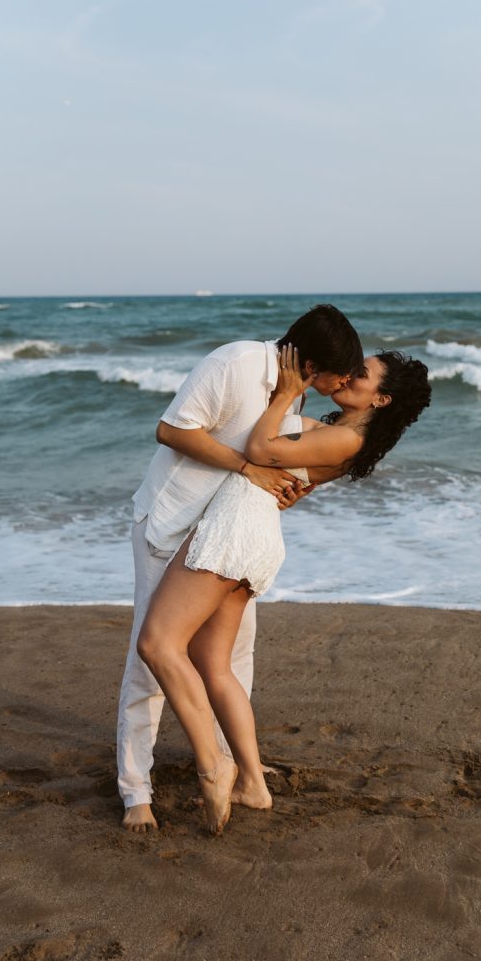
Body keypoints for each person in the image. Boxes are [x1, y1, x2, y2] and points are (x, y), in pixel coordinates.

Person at [137, 346, 431, 834]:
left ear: (381, 399)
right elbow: (289, 468)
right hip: (254, 533)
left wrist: (287, 392)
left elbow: (259, 449)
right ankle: (253, 782)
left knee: (157, 643)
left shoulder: (344, 441)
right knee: (213, 664)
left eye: (364, 374)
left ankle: (214, 768)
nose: (352, 376)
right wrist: (292, 404)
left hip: (236, 527)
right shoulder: (340, 434)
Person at [117, 304, 365, 831]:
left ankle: (238, 764)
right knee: (150, 659)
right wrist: (248, 468)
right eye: (342, 372)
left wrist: (291, 487)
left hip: (224, 538)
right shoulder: (236, 362)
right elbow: (170, 431)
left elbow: (283, 454)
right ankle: (136, 790)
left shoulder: (291, 389)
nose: (346, 382)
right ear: (313, 364)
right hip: (171, 523)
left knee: (233, 654)